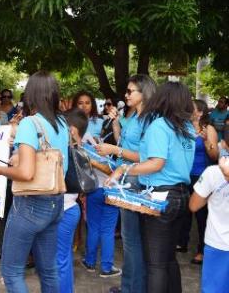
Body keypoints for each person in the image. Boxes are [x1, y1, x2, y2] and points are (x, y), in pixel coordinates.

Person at [106, 81, 196, 293]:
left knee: (155, 264)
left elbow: (156, 163)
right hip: (182, 194)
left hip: (161, 194)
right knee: (168, 259)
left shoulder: (160, 125)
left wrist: (123, 170)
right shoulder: (187, 127)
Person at [0, 71, 69, 292]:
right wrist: (18, 158)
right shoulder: (61, 122)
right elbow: (46, 160)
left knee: (12, 272)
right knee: (49, 271)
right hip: (55, 202)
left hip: (30, 205)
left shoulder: (30, 124)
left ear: (31, 94)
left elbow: (26, 173)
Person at [96, 74, 156, 293]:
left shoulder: (151, 120)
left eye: (131, 91)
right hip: (125, 176)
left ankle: (133, 288)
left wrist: (115, 151)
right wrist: (114, 123)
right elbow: (123, 141)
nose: (125, 95)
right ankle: (129, 285)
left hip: (135, 179)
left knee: (132, 240)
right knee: (130, 240)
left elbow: (149, 156)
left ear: (145, 93)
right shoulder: (135, 116)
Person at [72, 90, 120, 278]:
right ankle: (105, 267)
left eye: (87, 103)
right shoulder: (99, 125)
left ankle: (91, 262)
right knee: (105, 228)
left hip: (99, 184)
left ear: (93, 105)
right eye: (80, 103)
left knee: (95, 226)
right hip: (105, 182)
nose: (84, 106)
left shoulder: (100, 123)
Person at [177, 99, 219, 264]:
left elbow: (215, 156)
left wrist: (207, 140)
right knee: (184, 211)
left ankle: (202, 249)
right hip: (185, 175)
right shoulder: (184, 127)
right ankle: (182, 241)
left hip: (202, 177)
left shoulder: (209, 129)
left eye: (191, 108)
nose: (187, 110)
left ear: (200, 112)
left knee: (202, 215)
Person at [189, 154, 229, 293]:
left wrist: (209, 195)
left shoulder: (213, 172)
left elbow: (193, 205)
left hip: (218, 243)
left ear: (224, 143)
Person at [58, 108, 86, 293]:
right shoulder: (79, 151)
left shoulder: (69, 152)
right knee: (62, 258)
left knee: (58, 260)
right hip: (70, 209)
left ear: (72, 131)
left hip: (64, 210)